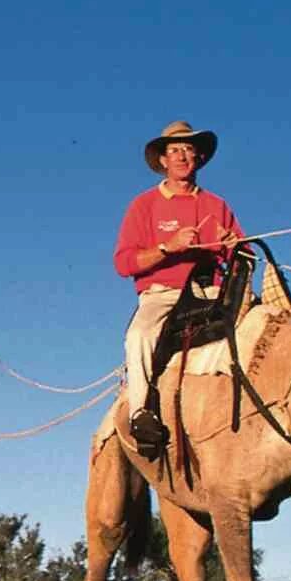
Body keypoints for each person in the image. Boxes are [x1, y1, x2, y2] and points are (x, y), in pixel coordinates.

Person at [112, 120, 244, 457]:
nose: (182, 156)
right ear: (163, 160)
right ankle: (141, 413)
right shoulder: (143, 205)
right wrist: (167, 247)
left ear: (199, 157)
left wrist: (234, 245)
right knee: (139, 336)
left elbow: (245, 254)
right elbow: (124, 263)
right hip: (163, 294)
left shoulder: (218, 205)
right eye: (174, 150)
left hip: (213, 291)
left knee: (264, 322)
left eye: (188, 149)